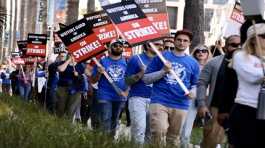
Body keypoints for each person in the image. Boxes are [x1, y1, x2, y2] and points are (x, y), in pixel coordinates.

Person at [143, 29, 200, 147]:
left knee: (173, 138)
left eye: (185, 41)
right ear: (174, 41)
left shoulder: (193, 63)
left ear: (189, 43)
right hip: (160, 100)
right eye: (179, 40)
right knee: (158, 132)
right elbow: (146, 79)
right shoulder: (162, 57)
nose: (181, 43)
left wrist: (193, 92)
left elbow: (195, 84)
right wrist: (163, 71)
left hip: (181, 103)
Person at [196, 35, 241, 148]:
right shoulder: (213, 63)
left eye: (240, 45)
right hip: (216, 109)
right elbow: (202, 83)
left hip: (241, 109)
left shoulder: (251, 64)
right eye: (233, 45)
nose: (238, 48)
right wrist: (202, 104)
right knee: (210, 142)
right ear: (225, 47)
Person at [230, 23, 265, 147]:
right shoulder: (241, 56)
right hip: (246, 108)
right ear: (253, 39)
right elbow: (252, 77)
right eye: (263, 36)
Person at [125, 40, 163, 144]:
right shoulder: (136, 59)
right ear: (147, 45)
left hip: (156, 100)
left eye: (161, 44)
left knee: (151, 133)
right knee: (139, 130)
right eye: (157, 44)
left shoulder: (163, 61)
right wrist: (141, 73)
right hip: (138, 97)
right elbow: (127, 81)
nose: (160, 46)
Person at [91, 39, 129, 137]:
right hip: (105, 95)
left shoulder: (127, 62)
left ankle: (110, 141)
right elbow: (93, 80)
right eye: (115, 45)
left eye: (120, 46)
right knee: (106, 119)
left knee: (114, 120)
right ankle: (104, 142)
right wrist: (99, 72)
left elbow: (130, 80)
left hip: (120, 96)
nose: (118, 47)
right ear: (110, 48)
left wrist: (127, 92)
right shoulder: (102, 61)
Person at [181, 44, 212, 147]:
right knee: (187, 124)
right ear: (194, 53)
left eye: (204, 51)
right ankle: (184, 144)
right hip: (192, 97)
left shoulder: (212, 65)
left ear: (208, 53)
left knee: (210, 125)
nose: (201, 52)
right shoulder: (189, 65)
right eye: (198, 51)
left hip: (207, 98)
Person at [55, 54, 85, 119]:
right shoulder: (62, 63)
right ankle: (58, 123)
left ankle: (68, 124)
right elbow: (61, 69)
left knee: (71, 110)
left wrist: (77, 75)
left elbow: (83, 77)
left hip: (75, 90)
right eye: (70, 54)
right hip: (62, 88)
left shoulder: (80, 65)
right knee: (60, 108)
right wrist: (68, 61)